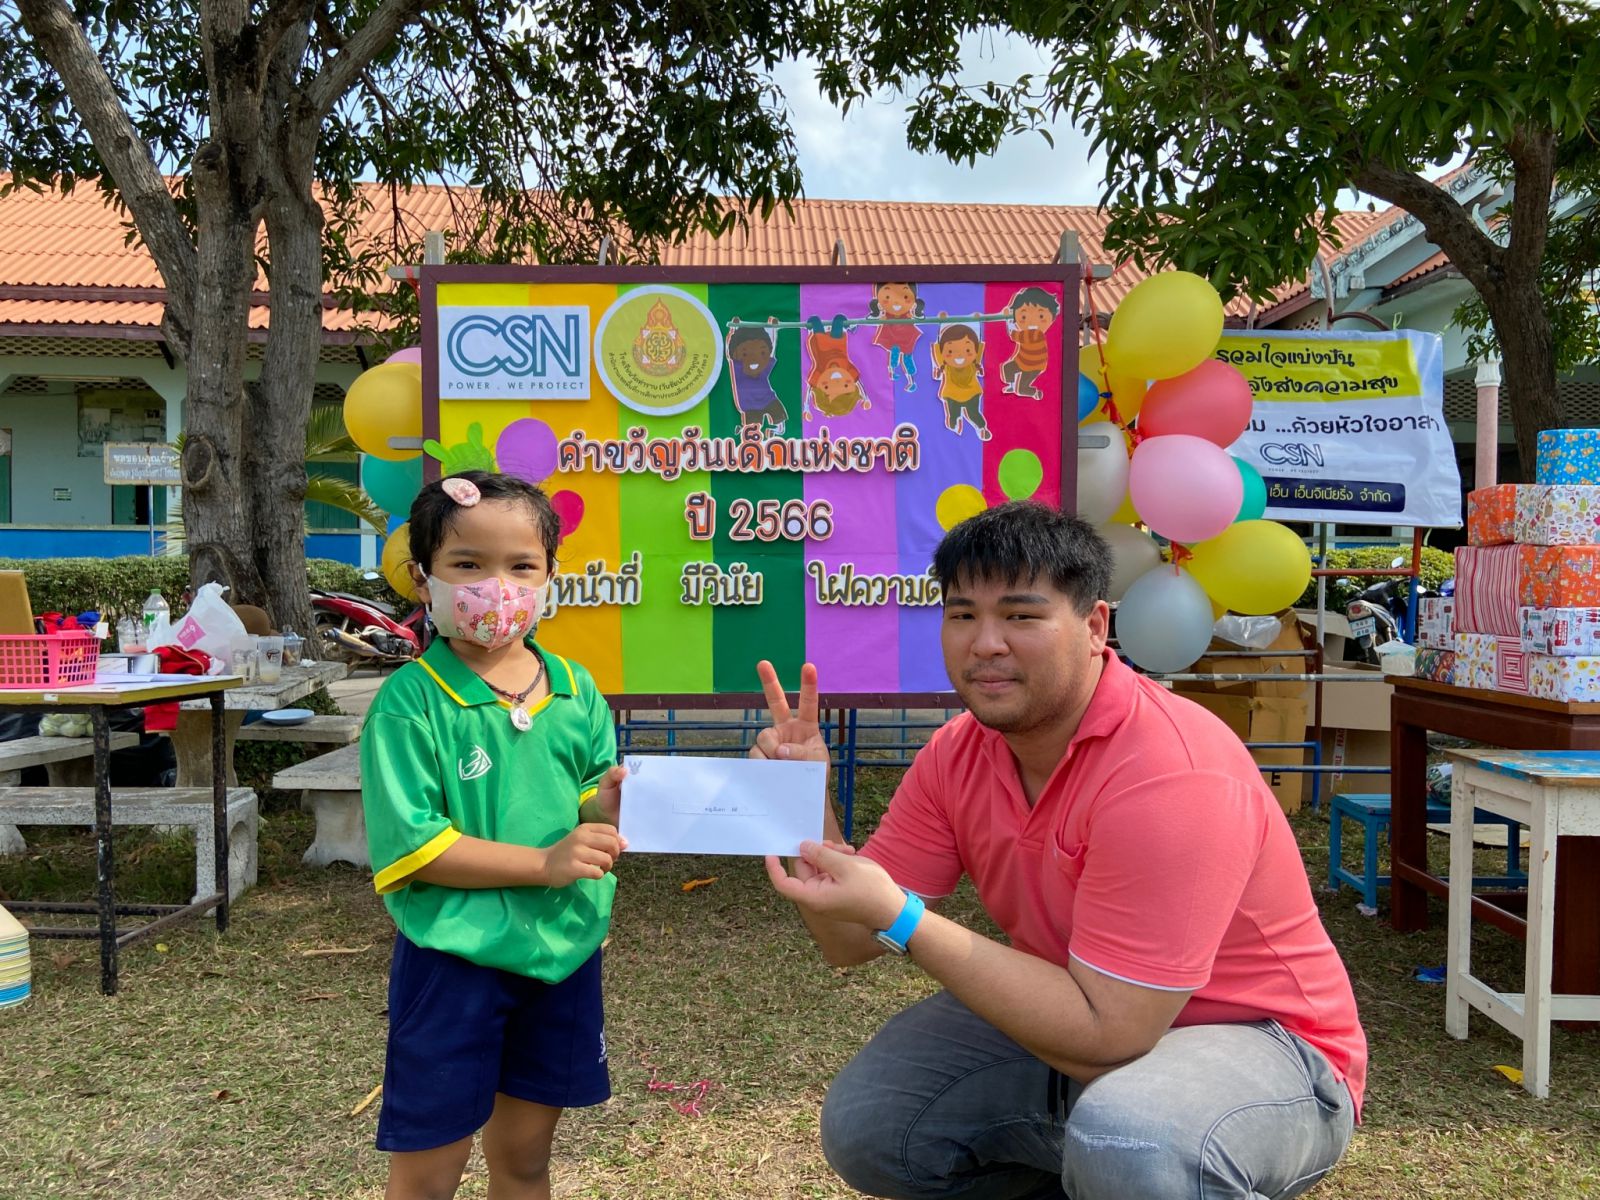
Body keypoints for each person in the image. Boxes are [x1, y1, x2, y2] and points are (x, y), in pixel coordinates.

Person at [758, 502, 1365, 1200]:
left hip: (1266, 1043)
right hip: (1081, 1009)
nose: (986, 642)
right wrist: (801, 805)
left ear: (1095, 626)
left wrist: (904, 918)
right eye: (962, 614)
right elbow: (846, 940)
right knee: (873, 1123)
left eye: (1021, 615)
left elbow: (1112, 1033)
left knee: (1131, 1141)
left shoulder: (1169, 769)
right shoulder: (958, 753)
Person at [360, 470, 628, 1200]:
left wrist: (605, 809)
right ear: (424, 577)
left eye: (521, 566)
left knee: (526, 1159)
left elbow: (587, 805)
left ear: (550, 577)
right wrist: (545, 862)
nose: (497, 587)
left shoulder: (575, 689)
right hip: (454, 963)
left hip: (560, 955)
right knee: (428, 1174)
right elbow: (418, 847)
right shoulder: (409, 703)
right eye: (468, 564)